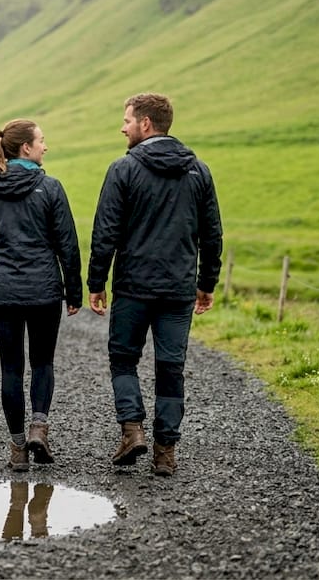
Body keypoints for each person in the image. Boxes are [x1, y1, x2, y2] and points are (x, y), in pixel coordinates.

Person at [87, 92, 223, 477]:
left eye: (127, 120)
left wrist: (96, 281)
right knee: (171, 367)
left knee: (124, 359)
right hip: (178, 289)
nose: (122, 127)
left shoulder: (123, 169)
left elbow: (105, 231)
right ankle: (165, 452)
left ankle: (132, 431)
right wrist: (206, 282)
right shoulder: (199, 170)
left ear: (145, 124)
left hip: (133, 286)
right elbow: (212, 234)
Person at [0, 118, 82, 472]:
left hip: (2, 293)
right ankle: (39, 427)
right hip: (45, 291)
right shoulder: (51, 188)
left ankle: (18, 448)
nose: (46, 147)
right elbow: (68, 244)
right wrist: (73, 291)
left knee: (11, 369)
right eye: (42, 141)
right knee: (43, 362)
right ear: (26, 148)